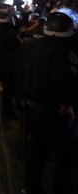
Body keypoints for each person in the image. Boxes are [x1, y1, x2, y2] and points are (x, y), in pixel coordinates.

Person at [17, 11, 78, 194]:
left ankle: (31, 187)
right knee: (64, 157)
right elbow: (66, 83)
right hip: (58, 112)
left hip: (32, 107)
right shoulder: (67, 53)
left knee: (36, 153)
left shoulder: (30, 47)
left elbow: (16, 71)